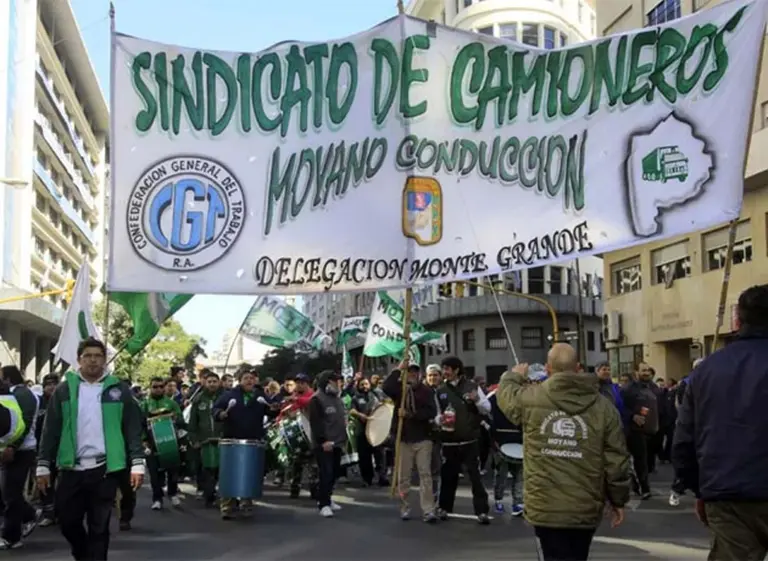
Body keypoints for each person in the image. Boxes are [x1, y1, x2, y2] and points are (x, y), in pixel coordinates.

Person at [496, 344, 630, 561]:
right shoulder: (604, 408)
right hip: (585, 506)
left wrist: (514, 376)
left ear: (548, 369)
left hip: (545, 505)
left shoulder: (531, 399)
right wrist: (618, 500)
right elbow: (616, 460)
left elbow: (506, 397)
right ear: (578, 368)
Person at [673, 284, 768, 561]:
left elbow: (684, 440)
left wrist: (700, 488)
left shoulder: (707, 370)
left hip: (728, 496)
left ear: (738, 320)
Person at [36, 338, 144, 561]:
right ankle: (82, 553)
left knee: (99, 527)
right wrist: (43, 465)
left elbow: (132, 428)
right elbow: (50, 430)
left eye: (98, 356)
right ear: (79, 360)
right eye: (88, 356)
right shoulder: (64, 390)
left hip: (104, 469)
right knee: (67, 522)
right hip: (71, 468)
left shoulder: (119, 390)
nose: (93, 360)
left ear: (104, 360)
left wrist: (137, 462)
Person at [434, 356, 491, 525]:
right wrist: (440, 420)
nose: (445, 372)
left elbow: (487, 408)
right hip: (449, 440)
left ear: (457, 369)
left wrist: (477, 400)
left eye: (447, 369)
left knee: (475, 477)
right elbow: (437, 414)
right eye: (443, 369)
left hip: (470, 440)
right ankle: (444, 507)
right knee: (448, 476)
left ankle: (481, 511)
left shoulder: (472, 387)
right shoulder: (440, 390)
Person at [382, 364, 438, 522]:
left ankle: (428, 510)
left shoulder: (426, 391)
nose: (412, 375)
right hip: (404, 439)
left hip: (423, 438)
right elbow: (386, 386)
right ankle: (405, 506)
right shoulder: (399, 389)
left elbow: (431, 412)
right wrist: (398, 368)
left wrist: (411, 414)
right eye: (409, 372)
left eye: (414, 372)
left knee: (425, 474)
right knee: (404, 476)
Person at [212, 369, 266, 520]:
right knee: (229, 474)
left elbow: (270, 409)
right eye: (246, 378)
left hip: (252, 439)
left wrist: (274, 409)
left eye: (252, 378)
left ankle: (246, 503)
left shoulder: (259, 396)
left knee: (249, 473)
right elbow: (215, 409)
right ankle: (226, 506)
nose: (249, 381)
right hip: (232, 440)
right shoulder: (229, 395)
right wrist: (220, 414)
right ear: (239, 380)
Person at [0, 366, 39, 550]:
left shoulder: (23, 395)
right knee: (8, 493)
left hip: (21, 451)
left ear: (8, 378)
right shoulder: (14, 394)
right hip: (10, 449)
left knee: (11, 495)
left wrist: (13, 447)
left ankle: (11, 536)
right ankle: (29, 514)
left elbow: (23, 423)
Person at [307, 370, 347, 518]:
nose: (338, 383)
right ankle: (323, 504)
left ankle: (328, 499)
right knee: (326, 473)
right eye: (335, 381)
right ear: (327, 382)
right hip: (324, 444)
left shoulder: (337, 398)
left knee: (335, 473)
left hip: (337, 442)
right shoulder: (316, 399)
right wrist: (323, 441)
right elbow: (316, 423)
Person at [141, 377, 184, 511]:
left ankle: (173, 493)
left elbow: (180, 420)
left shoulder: (172, 404)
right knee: (154, 473)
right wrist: (144, 441)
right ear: (150, 388)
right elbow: (140, 424)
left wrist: (174, 418)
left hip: (170, 442)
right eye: (155, 387)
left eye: (161, 386)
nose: (158, 389)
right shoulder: (144, 404)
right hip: (152, 443)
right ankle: (157, 498)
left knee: (172, 470)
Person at [620, 362, 661, 499]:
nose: (646, 373)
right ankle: (644, 488)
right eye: (643, 371)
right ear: (636, 372)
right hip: (634, 431)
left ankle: (638, 484)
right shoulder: (628, 389)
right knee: (640, 460)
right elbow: (620, 407)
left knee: (647, 461)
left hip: (652, 430)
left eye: (648, 370)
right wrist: (633, 416)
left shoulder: (653, 387)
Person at [277, 373, 316, 499]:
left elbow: (310, 403)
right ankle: (294, 488)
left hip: (312, 435)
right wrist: (280, 420)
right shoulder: (293, 396)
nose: (299, 385)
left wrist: (295, 400)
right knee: (295, 465)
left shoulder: (313, 395)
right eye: (297, 383)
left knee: (313, 465)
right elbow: (283, 413)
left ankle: (315, 490)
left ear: (307, 384)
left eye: (301, 383)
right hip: (296, 436)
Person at [187, 372, 223, 508]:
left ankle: (225, 497)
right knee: (207, 470)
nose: (212, 384)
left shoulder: (224, 398)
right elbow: (192, 423)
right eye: (210, 381)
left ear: (219, 383)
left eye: (215, 381)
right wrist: (194, 439)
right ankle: (209, 497)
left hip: (222, 440)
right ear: (205, 383)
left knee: (222, 470)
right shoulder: (198, 400)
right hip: (205, 442)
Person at [489, 387, 524, 516]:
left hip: (519, 443)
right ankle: (498, 500)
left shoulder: (523, 397)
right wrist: (493, 440)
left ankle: (518, 502)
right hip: (500, 442)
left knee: (520, 474)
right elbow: (487, 418)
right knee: (501, 475)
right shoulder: (494, 398)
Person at [36, 373, 60, 527]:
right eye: (48, 384)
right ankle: (49, 513)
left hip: (62, 449)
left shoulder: (64, 400)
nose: (51, 387)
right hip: (42, 449)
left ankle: (62, 512)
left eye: (54, 383)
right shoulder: (38, 402)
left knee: (64, 483)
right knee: (45, 482)